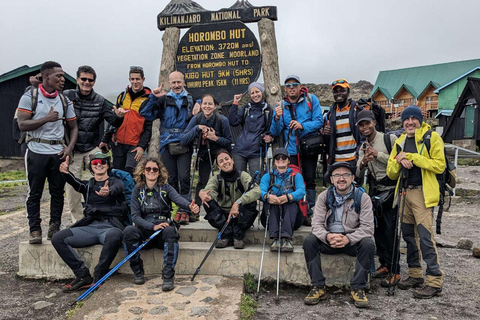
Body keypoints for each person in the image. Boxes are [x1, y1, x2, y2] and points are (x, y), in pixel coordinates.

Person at [386, 105, 445, 299]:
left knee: (425, 237)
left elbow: (439, 165)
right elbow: (391, 172)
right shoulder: (400, 141)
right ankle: (415, 274)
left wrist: (412, 157)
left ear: (421, 119)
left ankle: (434, 281)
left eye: (414, 118)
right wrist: (398, 160)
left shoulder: (432, 137)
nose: (410, 122)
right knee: (409, 236)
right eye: (406, 119)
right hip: (404, 192)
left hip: (423, 194)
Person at [16, 61, 78, 243]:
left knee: (57, 192)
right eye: (58, 76)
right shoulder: (30, 97)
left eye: (63, 75)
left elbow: (74, 127)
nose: (62, 79)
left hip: (58, 152)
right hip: (36, 150)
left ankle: (54, 227)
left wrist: (69, 148)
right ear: (46, 77)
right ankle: (35, 230)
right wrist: (47, 118)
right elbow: (22, 124)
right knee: (34, 193)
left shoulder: (64, 100)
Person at [51, 152, 127, 292]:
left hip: (109, 227)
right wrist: (65, 172)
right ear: (91, 167)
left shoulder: (116, 182)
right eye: (95, 162)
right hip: (90, 227)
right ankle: (83, 275)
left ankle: (99, 275)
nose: (99, 164)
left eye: (103, 162)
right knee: (58, 238)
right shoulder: (88, 186)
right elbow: (74, 182)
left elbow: (119, 189)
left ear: (108, 165)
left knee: (115, 235)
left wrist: (108, 191)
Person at [303, 161, 374, 308]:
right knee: (309, 241)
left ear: (352, 177)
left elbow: (367, 228)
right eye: (337, 175)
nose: (341, 178)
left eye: (345, 175)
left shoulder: (362, 198)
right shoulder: (324, 196)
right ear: (331, 179)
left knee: (368, 243)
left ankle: (358, 288)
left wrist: (348, 239)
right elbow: (316, 225)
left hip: (351, 241)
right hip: (329, 239)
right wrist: (327, 236)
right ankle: (318, 286)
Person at [123, 157, 199, 290]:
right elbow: (135, 216)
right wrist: (152, 226)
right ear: (143, 171)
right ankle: (138, 271)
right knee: (128, 231)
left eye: (155, 169)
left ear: (159, 172)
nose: (151, 171)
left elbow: (179, 200)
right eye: (148, 169)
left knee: (170, 230)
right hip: (145, 233)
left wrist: (190, 206)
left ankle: (168, 275)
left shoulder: (166, 188)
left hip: (161, 233)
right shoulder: (137, 191)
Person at [63, 65, 126, 222]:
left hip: (92, 147)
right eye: (83, 79)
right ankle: (78, 221)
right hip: (72, 149)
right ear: (77, 79)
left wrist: (119, 116)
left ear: (94, 82)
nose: (86, 82)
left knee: (106, 171)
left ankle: (107, 213)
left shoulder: (99, 100)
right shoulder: (66, 96)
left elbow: (113, 121)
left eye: (90, 80)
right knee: (72, 189)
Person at [270, 75, 323, 223]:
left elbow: (319, 121)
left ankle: (309, 210)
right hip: (291, 150)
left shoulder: (311, 100)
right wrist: (276, 118)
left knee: (310, 179)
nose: (292, 87)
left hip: (309, 147)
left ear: (300, 87)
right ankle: (296, 210)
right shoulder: (280, 105)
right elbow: (275, 131)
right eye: (289, 85)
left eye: (295, 84)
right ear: (285, 89)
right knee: (292, 180)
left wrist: (302, 126)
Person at [355, 110, 400, 287]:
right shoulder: (363, 146)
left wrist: (377, 155)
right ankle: (385, 264)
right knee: (378, 230)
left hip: (391, 191)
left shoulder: (389, 140)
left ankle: (396, 270)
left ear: (374, 122)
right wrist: (364, 161)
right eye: (361, 125)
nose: (365, 127)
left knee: (391, 231)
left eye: (368, 123)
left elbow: (399, 162)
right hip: (375, 192)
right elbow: (358, 171)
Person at [139, 71, 195, 206]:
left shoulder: (191, 100)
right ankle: (175, 207)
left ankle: (186, 207)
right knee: (171, 177)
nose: (176, 85)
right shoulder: (163, 100)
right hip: (166, 143)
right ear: (169, 84)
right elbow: (144, 113)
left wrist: (198, 103)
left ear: (184, 82)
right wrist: (153, 96)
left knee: (184, 177)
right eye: (174, 82)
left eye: (179, 82)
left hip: (184, 142)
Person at [180, 93, 233, 222]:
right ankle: (196, 209)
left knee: (224, 180)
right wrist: (197, 128)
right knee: (203, 181)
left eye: (210, 104)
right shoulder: (197, 119)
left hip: (220, 152)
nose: (207, 106)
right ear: (201, 105)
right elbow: (183, 139)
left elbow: (229, 142)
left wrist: (215, 138)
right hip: (204, 152)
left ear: (215, 106)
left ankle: (225, 208)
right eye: (205, 104)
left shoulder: (222, 120)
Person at [198, 150, 260, 249]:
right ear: (218, 166)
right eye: (221, 161)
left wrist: (238, 202)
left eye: (227, 159)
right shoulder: (216, 179)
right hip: (223, 216)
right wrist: (202, 193)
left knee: (251, 201)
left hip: (240, 214)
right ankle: (225, 234)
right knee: (207, 201)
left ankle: (238, 236)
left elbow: (256, 191)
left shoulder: (243, 175)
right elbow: (207, 191)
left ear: (232, 160)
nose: (225, 162)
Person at [100, 66, 152, 175]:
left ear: (143, 79)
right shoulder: (122, 97)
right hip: (118, 143)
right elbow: (114, 121)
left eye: (138, 79)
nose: (135, 82)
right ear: (129, 79)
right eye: (132, 79)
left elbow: (148, 127)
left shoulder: (148, 99)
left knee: (130, 174)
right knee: (117, 174)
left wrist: (142, 146)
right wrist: (105, 139)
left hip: (135, 145)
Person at [260, 148, 305, 252]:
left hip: (293, 217)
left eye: (284, 157)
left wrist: (289, 197)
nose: (281, 159)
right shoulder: (268, 176)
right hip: (271, 216)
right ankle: (275, 238)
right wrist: (268, 197)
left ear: (288, 160)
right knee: (270, 202)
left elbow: (301, 191)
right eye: (277, 157)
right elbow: (260, 191)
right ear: (274, 161)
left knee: (291, 203)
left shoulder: (296, 175)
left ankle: (287, 238)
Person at [228, 82, 273, 177]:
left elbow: (270, 129)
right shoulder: (246, 108)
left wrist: (270, 137)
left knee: (255, 180)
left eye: (257, 92)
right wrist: (235, 103)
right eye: (252, 93)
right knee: (239, 180)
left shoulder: (267, 110)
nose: (255, 95)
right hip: (239, 150)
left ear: (262, 92)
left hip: (256, 152)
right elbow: (233, 122)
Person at [323, 79, 363, 166]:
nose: (339, 93)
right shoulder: (330, 114)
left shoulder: (357, 111)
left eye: (342, 90)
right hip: (336, 160)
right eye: (336, 91)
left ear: (348, 92)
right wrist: (326, 134)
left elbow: (363, 134)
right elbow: (327, 140)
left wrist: (359, 155)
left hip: (353, 159)